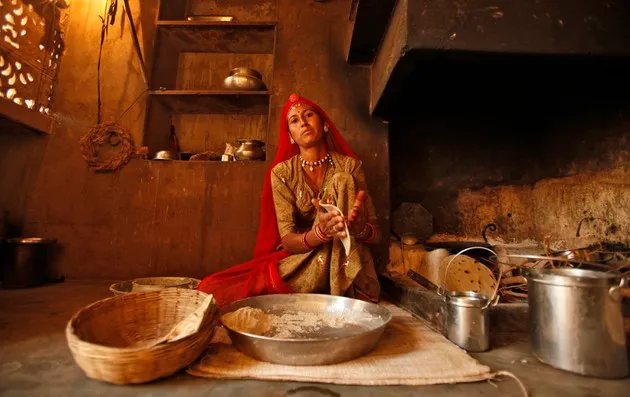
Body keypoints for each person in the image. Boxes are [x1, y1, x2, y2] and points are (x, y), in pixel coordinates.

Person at [197, 93, 381, 306]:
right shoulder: (282, 173)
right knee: (213, 288)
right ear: (291, 136)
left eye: (309, 115)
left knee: (342, 180)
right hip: (307, 260)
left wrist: (359, 229)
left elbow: (376, 235)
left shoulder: (350, 166)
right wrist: (320, 233)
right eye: (294, 120)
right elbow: (287, 240)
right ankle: (334, 295)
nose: (303, 122)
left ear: (325, 125)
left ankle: (338, 287)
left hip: (350, 263)